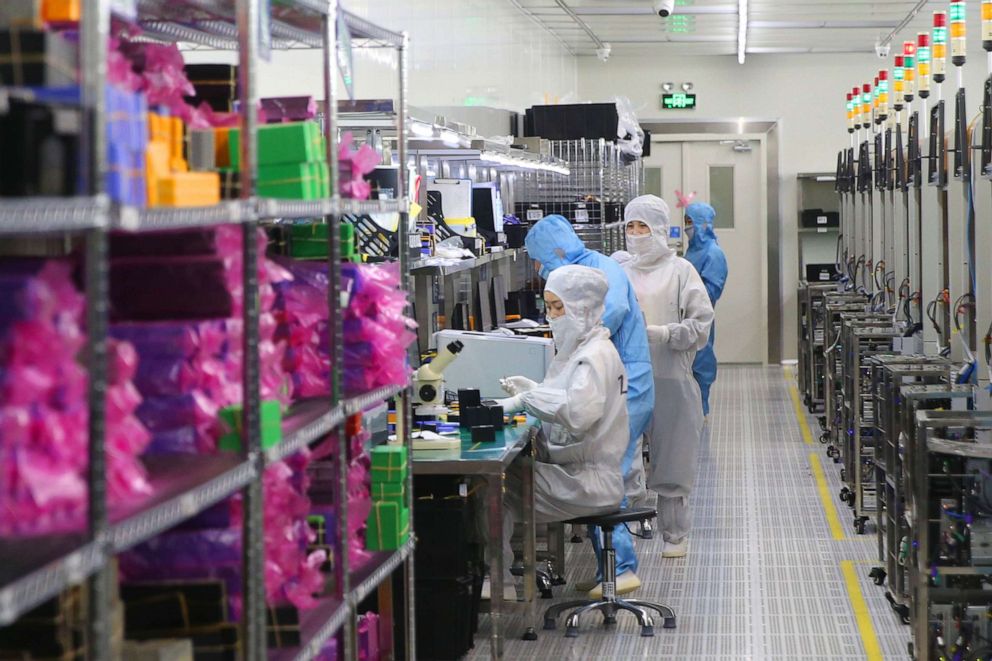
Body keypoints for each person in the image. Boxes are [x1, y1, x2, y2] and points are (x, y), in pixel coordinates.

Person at [522, 215, 654, 597]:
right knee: (602, 467)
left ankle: (623, 569)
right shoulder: (586, 267)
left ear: (556, 251)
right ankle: (606, 570)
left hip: (625, 381)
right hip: (615, 379)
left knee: (605, 471)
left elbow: (598, 322)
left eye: (540, 260)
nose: (539, 268)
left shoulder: (598, 271)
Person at [494, 265, 629, 593]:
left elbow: (579, 413)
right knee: (504, 480)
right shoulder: (582, 350)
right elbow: (571, 398)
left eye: (559, 307)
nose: (552, 316)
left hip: (586, 481)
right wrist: (535, 390)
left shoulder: (592, 357)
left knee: (488, 490)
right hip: (581, 473)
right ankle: (500, 576)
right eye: (549, 307)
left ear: (582, 309)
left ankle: (498, 583)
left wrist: (528, 400)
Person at [617, 195, 713, 559]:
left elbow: (701, 324)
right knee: (623, 459)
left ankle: (674, 535)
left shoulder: (681, 271)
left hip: (671, 375)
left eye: (644, 226)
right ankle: (620, 541)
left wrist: (664, 334)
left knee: (673, 457)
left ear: (659, 229)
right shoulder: (621, 271)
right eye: (631, 226)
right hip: (625, 380)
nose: (637, 234)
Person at [683, 201, 728, 418]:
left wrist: (688, 300)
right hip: (683, 317)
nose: (686, 227)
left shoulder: (713, 253)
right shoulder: (691, 251)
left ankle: (701, 408)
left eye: (690, 222)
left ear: (703, 224)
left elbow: (711, 291)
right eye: (686, 221)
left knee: (701, 361)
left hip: (700, 318)